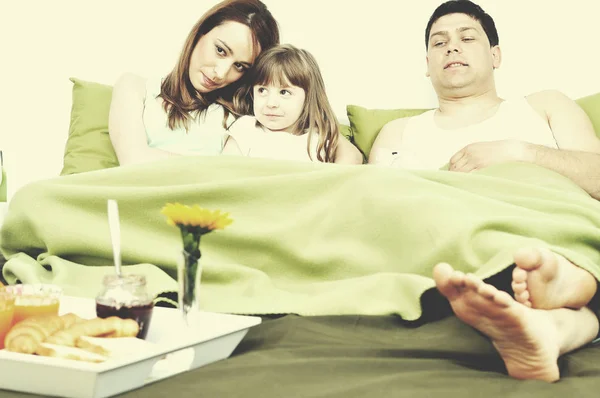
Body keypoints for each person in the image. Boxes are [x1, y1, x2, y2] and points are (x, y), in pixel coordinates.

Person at [369, 0, 600, 382]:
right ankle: (561, 303)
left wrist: (520, 152)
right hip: (455, 245)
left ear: (495, 55)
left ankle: (560, 276)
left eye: (466, 37)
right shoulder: (399, 131)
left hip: (550, 217)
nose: (451, 47)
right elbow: (378, 207)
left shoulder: (544, 106)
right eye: (438, 42)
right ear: (427, 65)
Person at [108, 0, 280, 166]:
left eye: (239, 66)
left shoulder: (242, 119)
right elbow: (133, 161)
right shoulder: (134, 87)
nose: (220, 73)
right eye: (220, 50)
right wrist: (208, 168)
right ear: (200, 32)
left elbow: (227, 181)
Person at [222, 44, 363, 164]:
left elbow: (353, 157)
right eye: (262, 90)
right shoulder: (246, 129)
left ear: (308, 97)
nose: (271, 103)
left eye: (284, 92)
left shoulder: (318, 137)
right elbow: (225, 172)